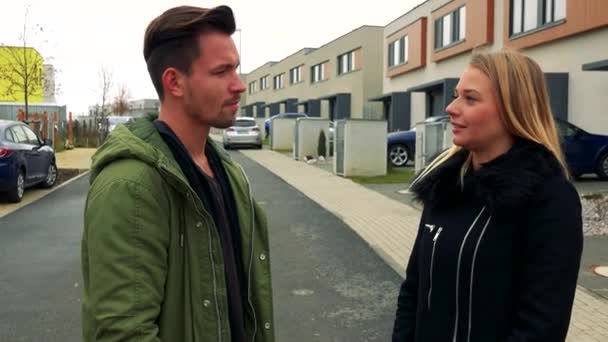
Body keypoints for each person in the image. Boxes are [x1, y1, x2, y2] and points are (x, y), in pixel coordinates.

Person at [81, 5, 274, 342]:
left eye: (236, 69)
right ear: (175, 82)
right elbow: (124, 333)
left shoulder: (227, 171)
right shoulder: (131, 186)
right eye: (221, 72)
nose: (239, 85)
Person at [392, 50, 583, 342]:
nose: (451, 108)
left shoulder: (549, 199)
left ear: (513, 110)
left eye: (470, 98)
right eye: (457, 95)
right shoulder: (446, 184)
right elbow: (414, 290)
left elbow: (542, 327)